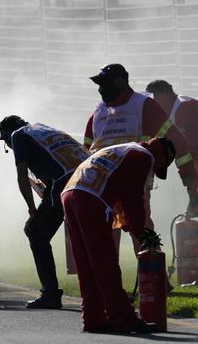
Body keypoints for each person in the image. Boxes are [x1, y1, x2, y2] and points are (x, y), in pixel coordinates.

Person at [61, 137, 175, 333]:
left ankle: (93, 318)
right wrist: (140, 230)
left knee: (86, 263)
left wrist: (130, 226)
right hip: (91, 199)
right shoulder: (143, 157)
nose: (154, 173)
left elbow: (119, 191)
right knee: (105, 262)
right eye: (160, 167)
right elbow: (133, 197)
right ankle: (123, 319)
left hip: (70, 194)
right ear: (161, 155)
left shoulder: (123, 150)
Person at [84, 64, 198, 255]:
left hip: (135, 182)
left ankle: (155, 278)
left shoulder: (144, 106)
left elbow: (177, 142)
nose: (100, 89)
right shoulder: (98, 113)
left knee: (141, 228)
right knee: (107, 233)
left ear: (119, 82)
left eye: (104, 84)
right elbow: (85, 152)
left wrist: (189, 181)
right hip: (102, 185)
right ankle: (112, 283)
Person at [0, 115, 90, 308]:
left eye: (6, 143)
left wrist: (31, 208)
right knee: (88, 236)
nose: (10, 146)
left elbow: (22, 174)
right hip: (89, 177)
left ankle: (50, 294)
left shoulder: (17, 135)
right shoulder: (43, 129)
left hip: (64, 182)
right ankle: (106, 291)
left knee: (35, 231)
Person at [145, 79, 198, 168]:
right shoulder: (170, 108)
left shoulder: (185, 107)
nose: (153, 99)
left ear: (165, 95)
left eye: (155, 95)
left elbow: (191, 144)